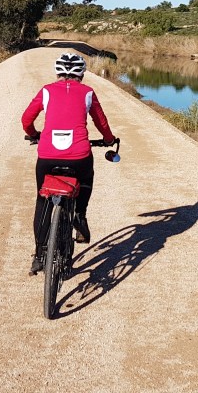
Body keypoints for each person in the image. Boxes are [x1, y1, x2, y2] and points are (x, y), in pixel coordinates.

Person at [22, 51, 117, 275]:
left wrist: (34, 133)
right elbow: (101, 122)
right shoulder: (87, 93)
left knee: (41, 200)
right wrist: (109, 140)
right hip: (79, 156)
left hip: (47, 156)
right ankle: (79, 215)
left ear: (57, 73)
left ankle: (39, 255)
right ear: (81, 74)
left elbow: (26, 119)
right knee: (87, 176)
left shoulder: (46, 91)